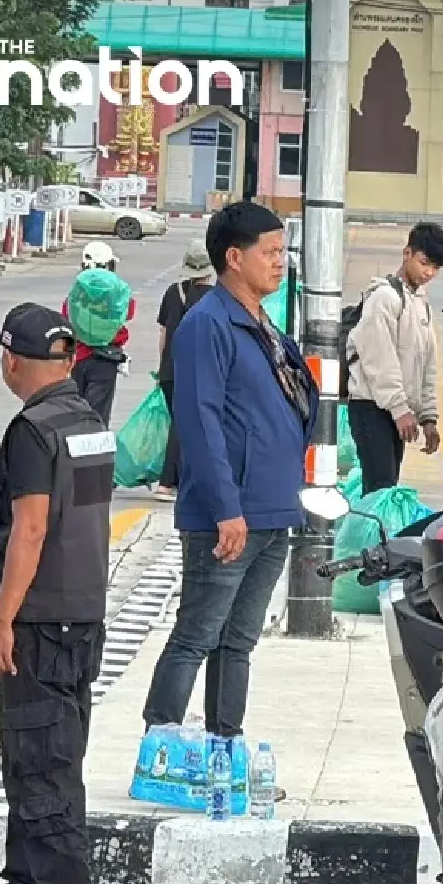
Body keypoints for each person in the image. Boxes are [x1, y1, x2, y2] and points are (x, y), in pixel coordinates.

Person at [0, 303, 113, 884]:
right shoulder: (86, 417)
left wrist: (2, 621)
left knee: (44, 762)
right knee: (33, 756)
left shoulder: (33, 429)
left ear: (12, 358)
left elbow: (32, 526)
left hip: (43, 618)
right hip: (81, 613)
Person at [143, 203, 318, 742]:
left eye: (282, 251)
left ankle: (225, 745)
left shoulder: (265, 325)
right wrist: (226, 508)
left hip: (273, 508)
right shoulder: (207, 324)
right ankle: (161, 742)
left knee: (238, 640)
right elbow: (199, 423)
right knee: (197, 633)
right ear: (233, 257)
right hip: (229, 513)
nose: (279, 262)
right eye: (269, 253)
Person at [345, 222, 443, 493]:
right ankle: (367, 537)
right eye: (424, 263)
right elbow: (379, 360)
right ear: (407, 253)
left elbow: (426, 364)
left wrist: (428, 417)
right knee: (380, 490)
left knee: (386, 489)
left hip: (395, 411)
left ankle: (376, 536)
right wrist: (400, 408)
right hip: (372, 407)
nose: (429, 273)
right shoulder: (384, 297)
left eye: (435, 268)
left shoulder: (420, 303)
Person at [153, 240, 217, 500]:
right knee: (184, 425)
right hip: (196, 373)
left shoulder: (172, 292)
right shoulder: (215, 298)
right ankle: (166, 483)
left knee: (183, 423)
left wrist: (162, 369)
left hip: (170, 371)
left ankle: (182, 480)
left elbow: (163, 335)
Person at [64, 242, 134, 424]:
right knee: (98, 415)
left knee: (76, 410)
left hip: (77, 358)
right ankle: (94, 449)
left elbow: (67, 315)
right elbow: (129, 312)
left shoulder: (77, 291)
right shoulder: (115, 291)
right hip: (105, 359)